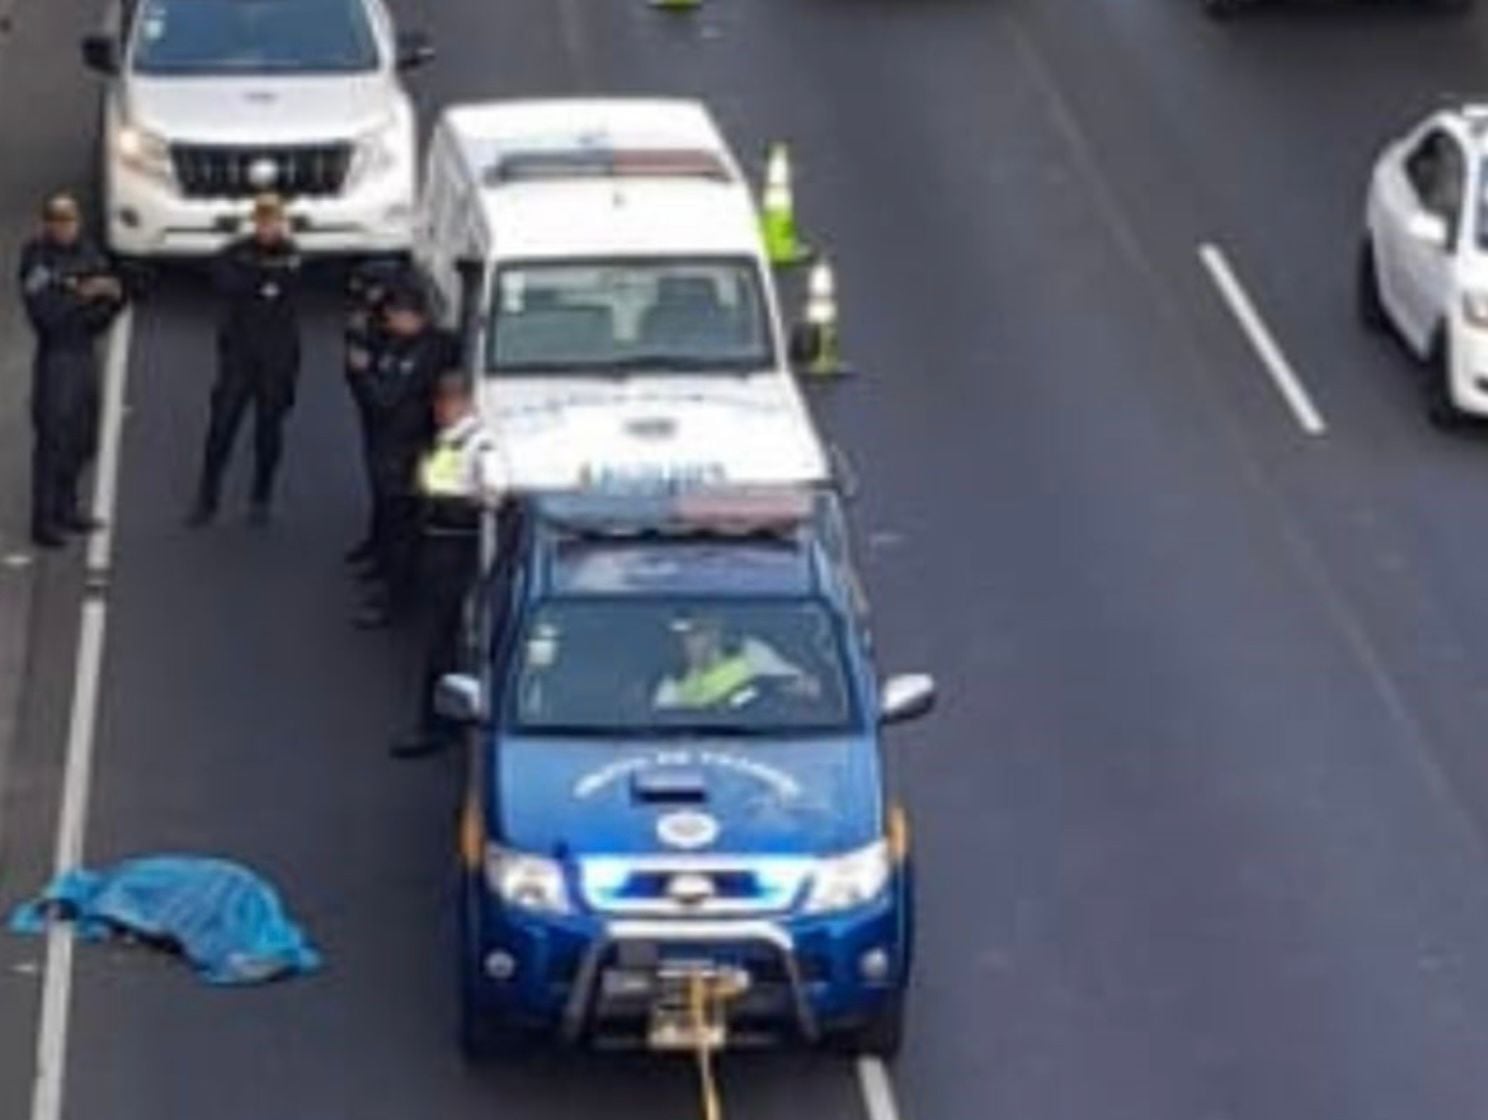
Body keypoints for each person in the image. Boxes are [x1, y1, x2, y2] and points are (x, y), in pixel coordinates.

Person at [391, 375, 494, 758]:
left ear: (464, 404)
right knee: (444, 641)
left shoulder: (477, 446)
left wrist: (428, 485)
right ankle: (442, 723)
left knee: (444, 642)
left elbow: (466, 495)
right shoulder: (453, 441)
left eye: (447, 402)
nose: (439, 410)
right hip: (441, 545)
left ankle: (436, 726)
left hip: (456, 550)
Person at [187, 193, 303, 527]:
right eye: (263, 220)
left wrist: (255, 278)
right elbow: (223, 279)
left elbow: (284, 279)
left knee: (269, 431)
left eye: (274, 220)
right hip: (238, 355)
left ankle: (261, 496)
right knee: (221, 427)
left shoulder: (291, 255)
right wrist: (261, 280)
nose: (268, 227)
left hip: (277, 358)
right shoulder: (236, 252)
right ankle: (207, 498)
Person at [17, 193, 125, 548]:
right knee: (53, 439)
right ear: (47, 223)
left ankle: (67, 507)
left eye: (70, 220)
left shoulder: (89, 252)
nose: (64, 227)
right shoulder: (37, 258)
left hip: (84, 351)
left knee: (84, 438)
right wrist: (83, 295)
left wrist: (91, 299)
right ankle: (44, 519)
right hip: (57, 357)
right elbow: (45, 314)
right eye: (57, 221)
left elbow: (111, 299)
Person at [351, 285, 456, 628]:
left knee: (403, 529)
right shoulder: (399, 343)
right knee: (391, 519)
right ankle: (383, 570)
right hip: (390, 443)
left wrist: (364, 372)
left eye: (397, 315)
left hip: (407, 447)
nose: (391, 321)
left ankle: (395, 601)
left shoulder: (425, 351)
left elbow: (386, 397)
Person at [342, 256, 414, 564]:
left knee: (393, 490)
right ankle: (377, 542)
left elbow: (386, 381)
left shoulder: (397, 333)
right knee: (378, 483)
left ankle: (389, 555)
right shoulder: (366, 320)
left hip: (397, 423)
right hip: (374, 415)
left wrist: (366, 370)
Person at [653, 614, 819, 710]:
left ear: (714, 633)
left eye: (696, 634)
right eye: (684, 637)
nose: (688, 642)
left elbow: (801, 683)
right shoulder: (673, 684)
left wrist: (797, 687)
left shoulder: (750, 654)